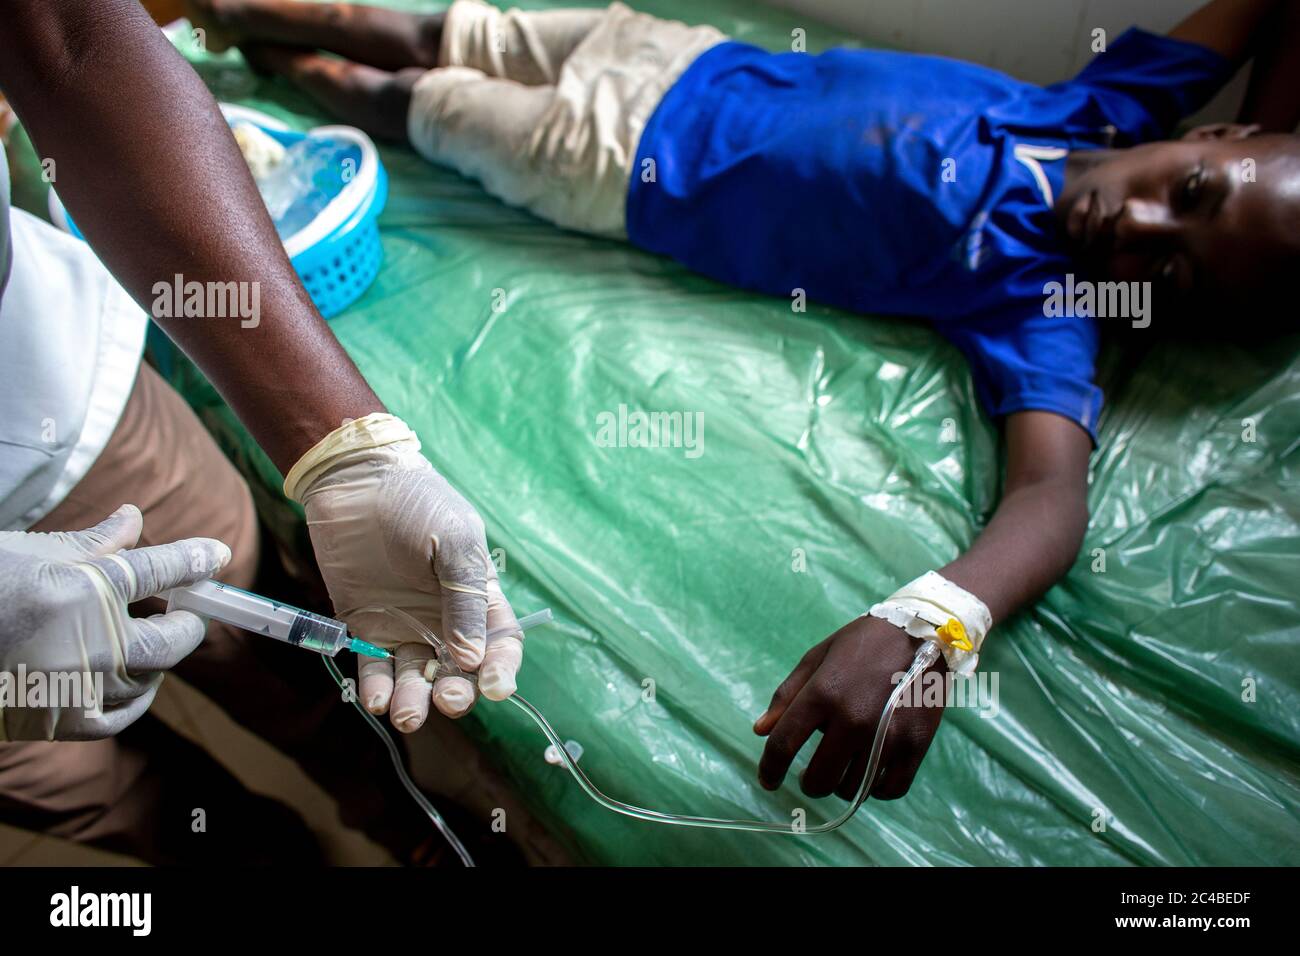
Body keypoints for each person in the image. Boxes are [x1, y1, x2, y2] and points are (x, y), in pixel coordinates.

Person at [188, 0, 1300, 802]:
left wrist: (931, 620)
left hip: (612, 166)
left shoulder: (1042, 300)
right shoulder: (1115, 102)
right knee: (429, 29)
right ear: (1213, 133)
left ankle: (254, 86)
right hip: (671, 54)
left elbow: (1051, 499)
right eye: (1191, 193)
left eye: (1178, 275)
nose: (1142, 232)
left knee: (396, 96)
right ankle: (225, 25)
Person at [0, 0, 526, 863]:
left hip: (46, 410)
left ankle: (401, 823)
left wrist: (345, 449)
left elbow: (71, 39)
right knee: (119, 805)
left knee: (280, 669)